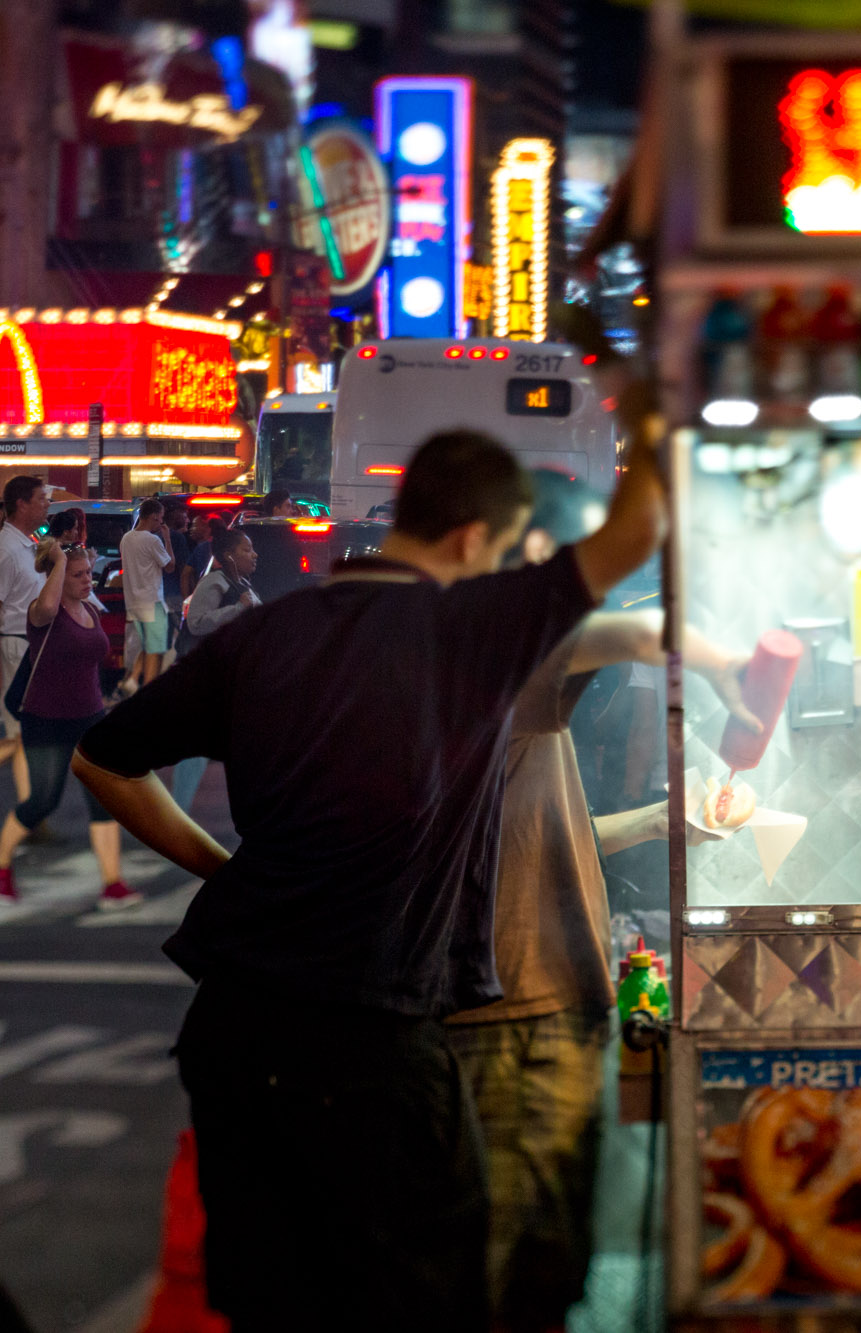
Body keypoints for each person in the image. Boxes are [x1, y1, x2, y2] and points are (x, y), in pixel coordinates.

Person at [71, 423, 671, 1329]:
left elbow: (103, 759)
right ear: (475, 539)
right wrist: (667, 395)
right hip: (367, 1041)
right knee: (425, 1295)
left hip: (233, 1033)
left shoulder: (270, 630)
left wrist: (224, 868)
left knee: (276, 1302)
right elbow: (632, 535)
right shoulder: (468, 624)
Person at [442, 472, 751, 1330]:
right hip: (508, 1006)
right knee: (511, 1258)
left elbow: (534, 827)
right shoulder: (487, 651)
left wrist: (658, 820)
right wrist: (701, 649)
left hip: (541, 996)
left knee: (548, 1254)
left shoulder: (485, 662)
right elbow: (622, 633)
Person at [0, 541, 135, 910]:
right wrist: (60, 561)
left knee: (101, 799)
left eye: (88, 572)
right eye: (78, 575)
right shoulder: (42, 613)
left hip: (89, 717)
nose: (88, 580)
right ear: (58, 577)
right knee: (43, 800)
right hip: (45, 720)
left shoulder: (90, 608)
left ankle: (113, 885)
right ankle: (1, 869)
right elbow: (46, 605)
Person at [167, 528, 261, 812]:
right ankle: (177, 811)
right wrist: (236, 609)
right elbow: (196, 623)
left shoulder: (241, 582)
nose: (254, 554)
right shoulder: (214, 583)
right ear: (228, 556)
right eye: (246, 549)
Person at [0, 478, 48, 808]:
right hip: (16, 646)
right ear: (21, 504)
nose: (47, 504)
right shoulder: (6, 550)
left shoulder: (27, 544)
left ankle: (33, 809)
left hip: (31, 647)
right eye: (41, 499)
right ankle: (32, 812)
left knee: (26, 733)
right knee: (19, 733)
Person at [117, 500, 174, 689]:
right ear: (154, 516)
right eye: (161, 518)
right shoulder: (152, 540)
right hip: (152, 601)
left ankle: (130, 680)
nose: (162, 522)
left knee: (137, 644)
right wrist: (167, 539)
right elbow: (170, 566)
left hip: (133, 601)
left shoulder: (126, 538)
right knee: (154, 650)